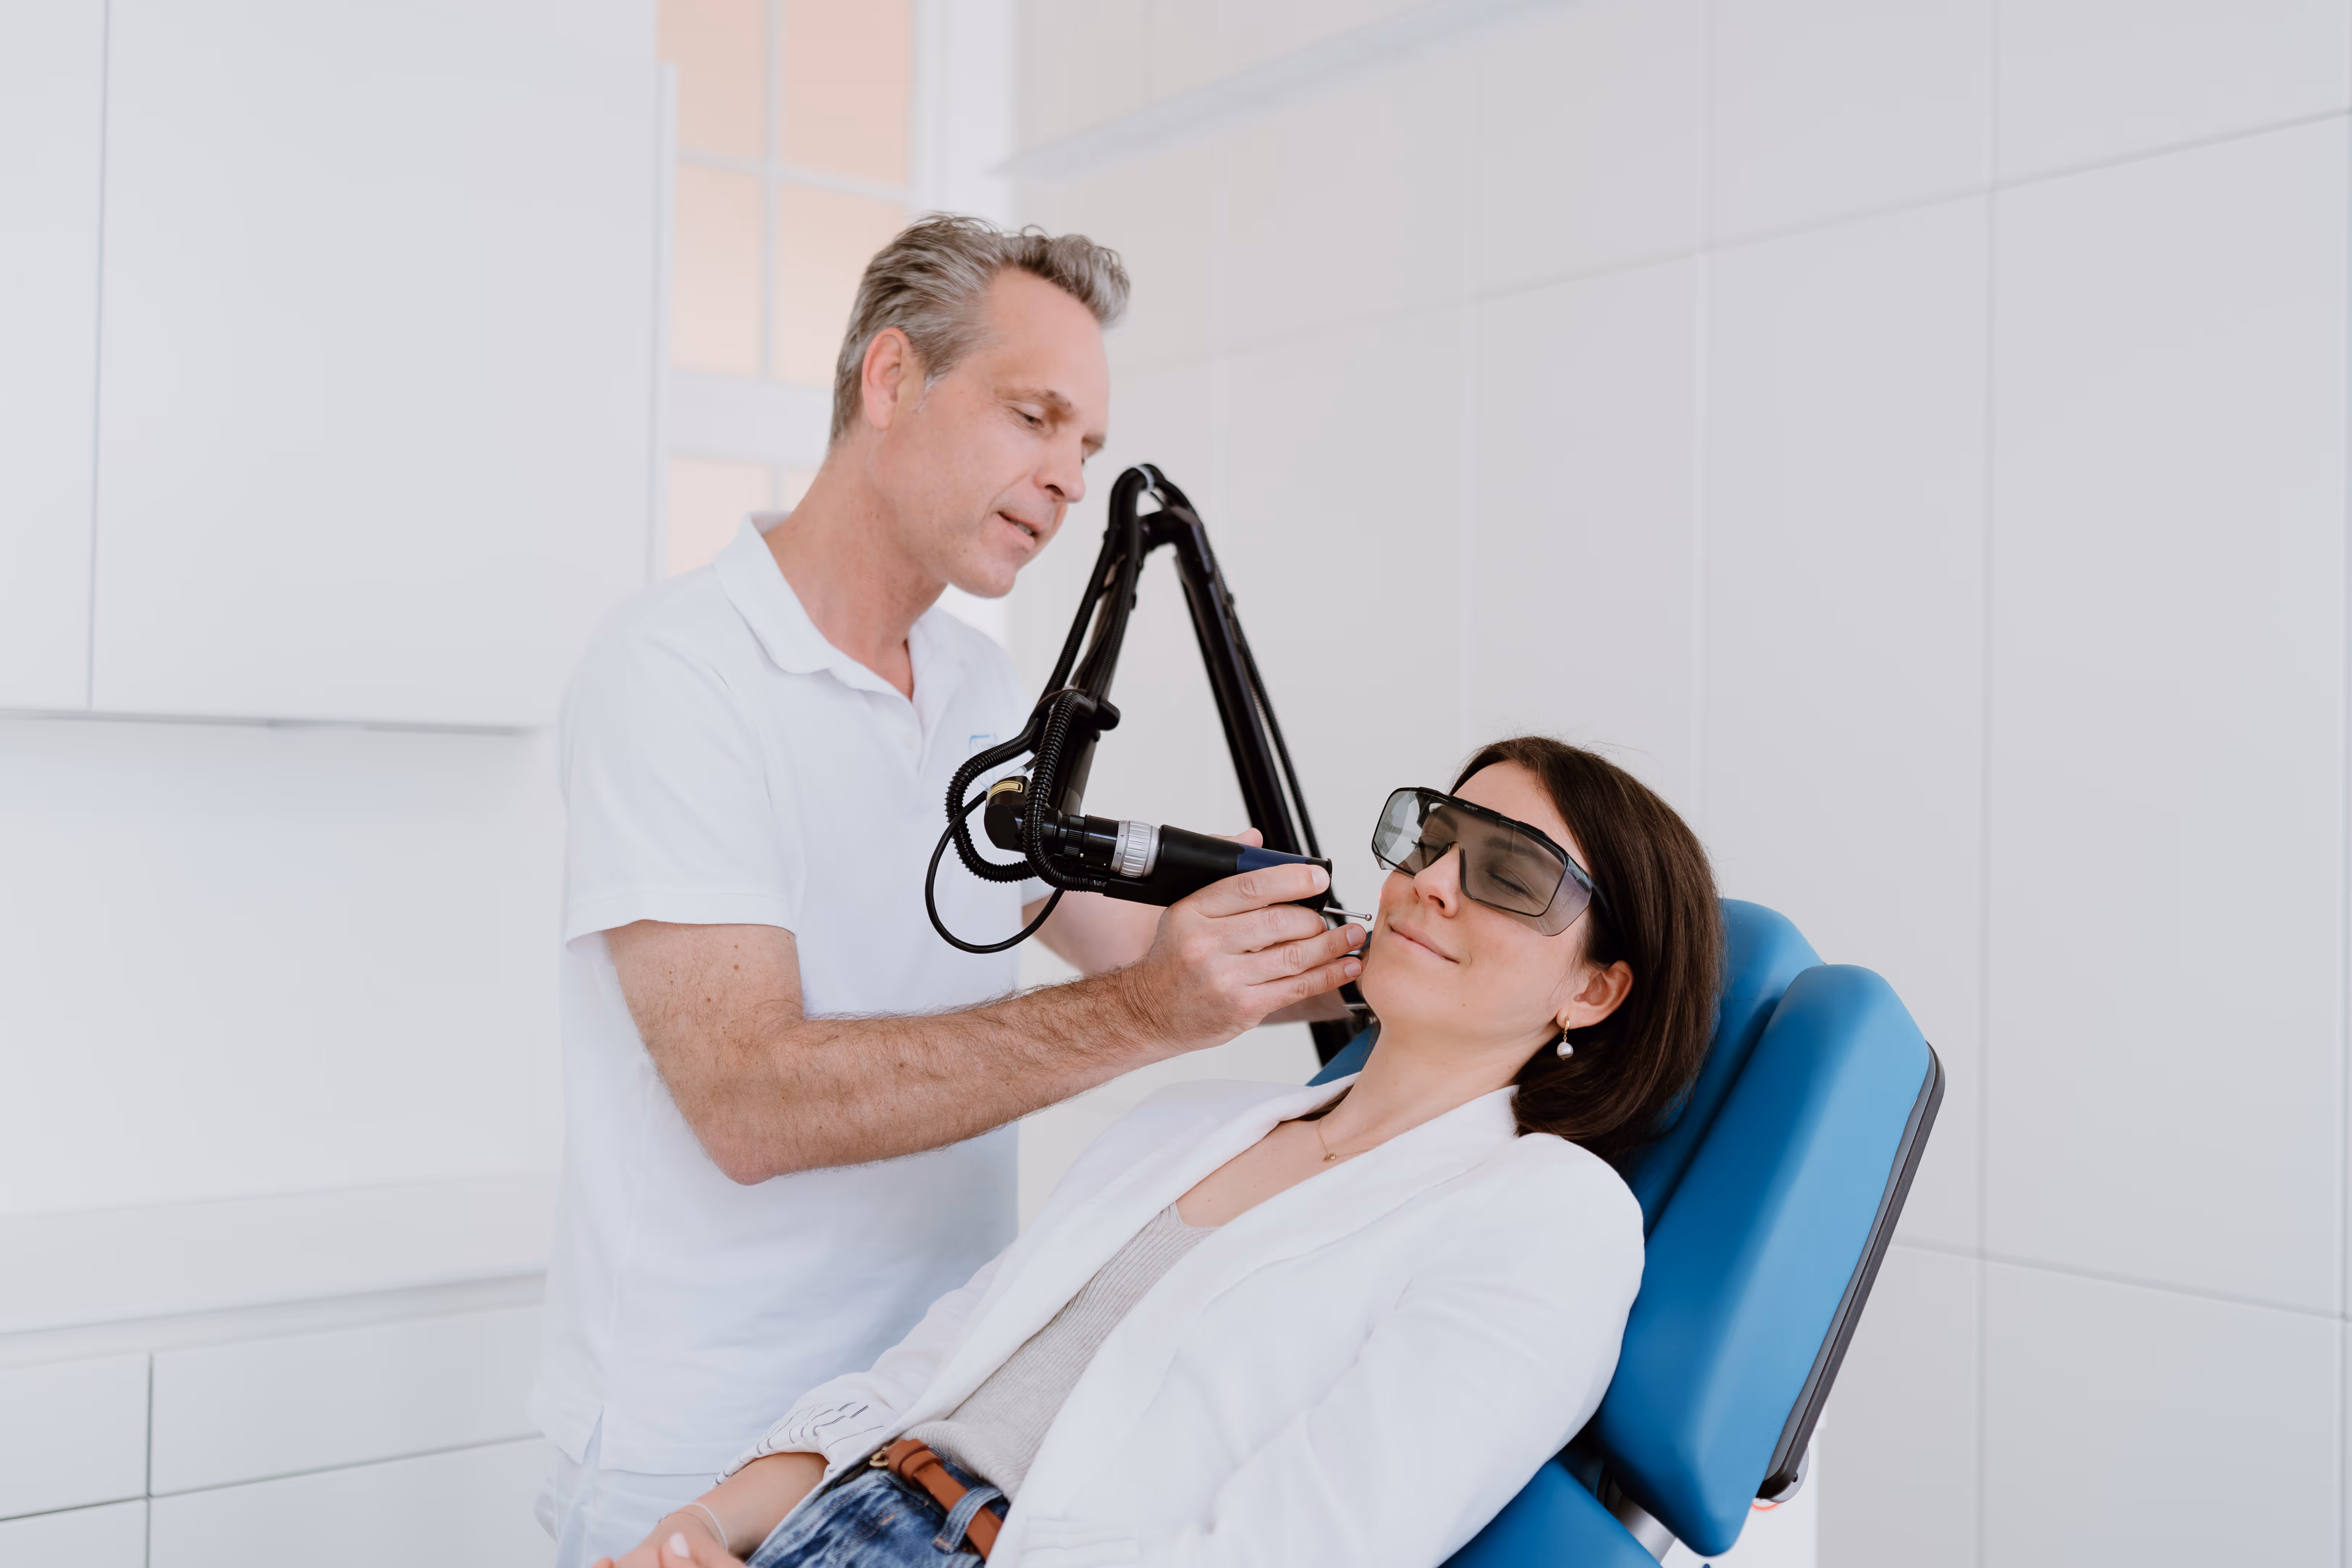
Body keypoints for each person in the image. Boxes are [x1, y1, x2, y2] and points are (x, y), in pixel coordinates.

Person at [532, 216, 1367, 1567]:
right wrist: (1154, 1017)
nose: (1062, 482)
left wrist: (1406, 956)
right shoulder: (677, 675)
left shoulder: (979, 692)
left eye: (1085, 450)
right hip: (694, 1461)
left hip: (912, 1432)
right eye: (1032, 419)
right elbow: (747, 1101)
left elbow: (1122, 940)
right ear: (890, 380)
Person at [596, 736, 1724, 1568]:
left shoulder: (1547, 1213)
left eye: (1510, 875)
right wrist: (709, 1525)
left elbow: (1311, 1548)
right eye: (1432, 839)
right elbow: (923, 1378)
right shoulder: (1179, 1127)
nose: (1430, 883)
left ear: (1596, 987)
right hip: (822, 1526)